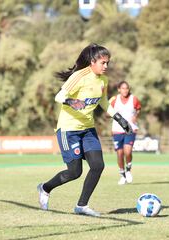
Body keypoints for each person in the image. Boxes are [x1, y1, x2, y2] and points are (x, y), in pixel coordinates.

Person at [37, 44, 132, 217]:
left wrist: (119, 118)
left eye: (108, 63)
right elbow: (59, 96)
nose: (106, 66)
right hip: (68, 130)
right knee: (74, 172)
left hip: (88, 129)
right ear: (92, 61)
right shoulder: (79, 76)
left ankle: (82, 206)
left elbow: (103, 102)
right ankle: (44, 188)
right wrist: (72, 102)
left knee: (98, 165)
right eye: (103, 62)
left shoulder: (103, 80)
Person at [110, 81, 141, 185]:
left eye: (127, 88)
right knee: (120, 153)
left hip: (130, 129)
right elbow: (108, 110)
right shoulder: (114, 100)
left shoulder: (134, 99)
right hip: (117, 130)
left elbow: (138, 109)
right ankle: (122, 174)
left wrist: (135, 116)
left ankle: (128, 169)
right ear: (119, 89)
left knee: (127, 151)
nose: (125, 90)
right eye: (123, 88)